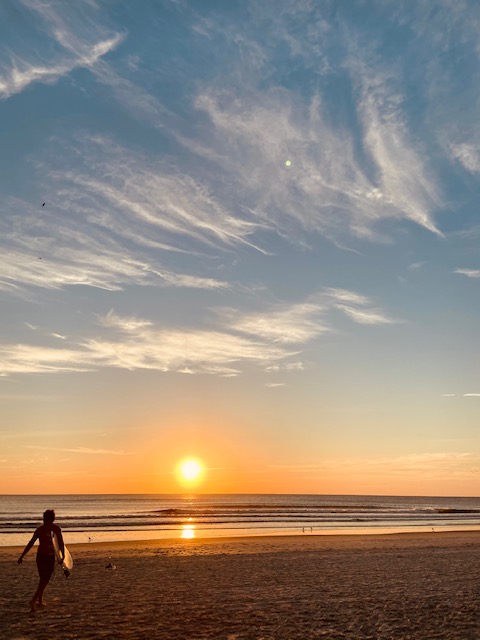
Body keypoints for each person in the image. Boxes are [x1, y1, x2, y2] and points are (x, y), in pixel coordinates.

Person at [17, 509, 65, 611]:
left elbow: (31, 543)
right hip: (48, 557)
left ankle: (40, 601)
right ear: (53, 519)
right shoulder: (56, 529)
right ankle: (33, 600)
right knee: (45, 580)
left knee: (43, 579)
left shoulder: (40, 529)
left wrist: (22, 556)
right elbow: (61, 543)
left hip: (40, 557)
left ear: (45, 518)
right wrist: (62, 556)